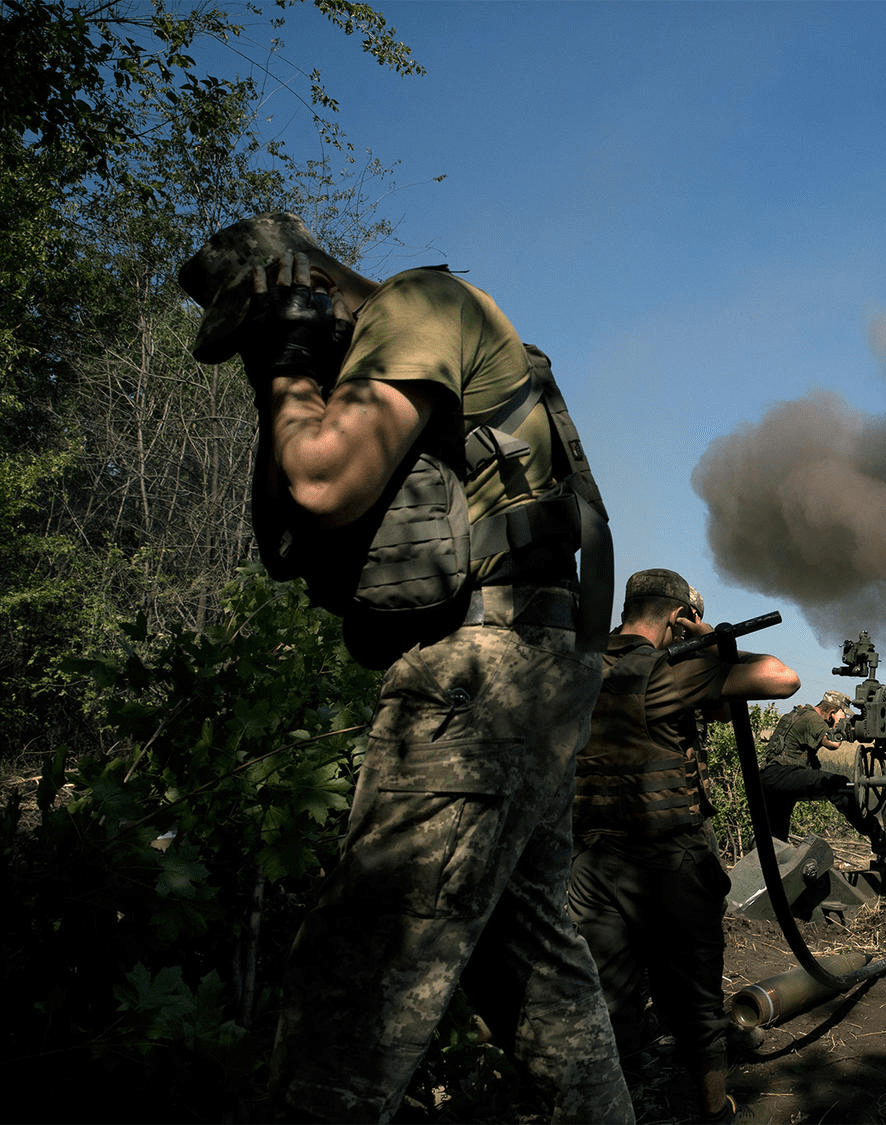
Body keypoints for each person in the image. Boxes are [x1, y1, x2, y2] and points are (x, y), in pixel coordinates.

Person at [178, 213, 632, 1122]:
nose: (256, 358)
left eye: (255, 326)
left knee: (352, 991)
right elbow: (288, 539)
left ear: (288, 285)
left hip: (478, 683)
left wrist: (289, 366)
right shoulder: (424, 333)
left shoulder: (419, 307)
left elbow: (319, 478)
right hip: (530, 676)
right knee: (537, 979)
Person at [568, 568, 798, 1123]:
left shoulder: (580, 664)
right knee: (696, 995)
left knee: (606, 993)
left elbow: (716, 709)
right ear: (677, 616)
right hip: (668, 863)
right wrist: (716, 638)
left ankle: (611, 1106)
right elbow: (781, 678)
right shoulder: (663, 670)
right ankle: (714, 1109)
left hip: (590, 863)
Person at [759, 690, 885, 849]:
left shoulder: (799, 714)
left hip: (769, 779)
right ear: (832, 712)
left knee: (775, 839)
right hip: (782, 774)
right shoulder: (813, 719)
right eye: (842, 715)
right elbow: (833, 743)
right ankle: (877, 835)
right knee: (841, 786)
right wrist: (839, 725)